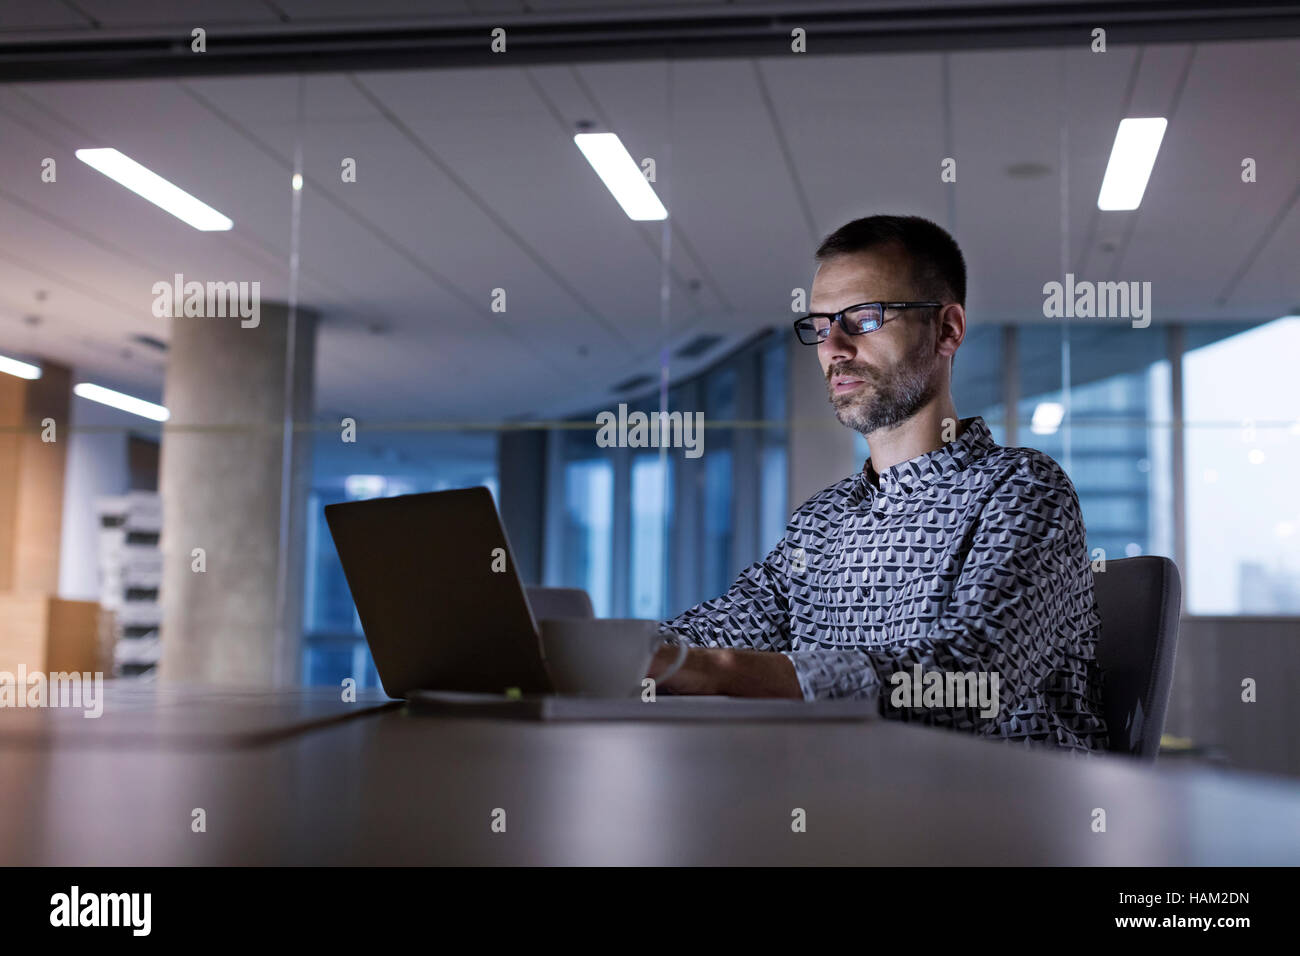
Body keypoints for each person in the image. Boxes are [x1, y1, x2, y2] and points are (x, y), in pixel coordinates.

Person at [650, 214, 1108, 753]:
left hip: (1004, 814)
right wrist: (615, 653)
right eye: (820, 326)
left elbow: (970, 684)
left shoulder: (1022, 488)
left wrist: (721, 671)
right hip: (847, 801)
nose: (834, 348)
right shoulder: (823, 521)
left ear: (947, 330)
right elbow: (712, 632)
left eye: (864, 318)